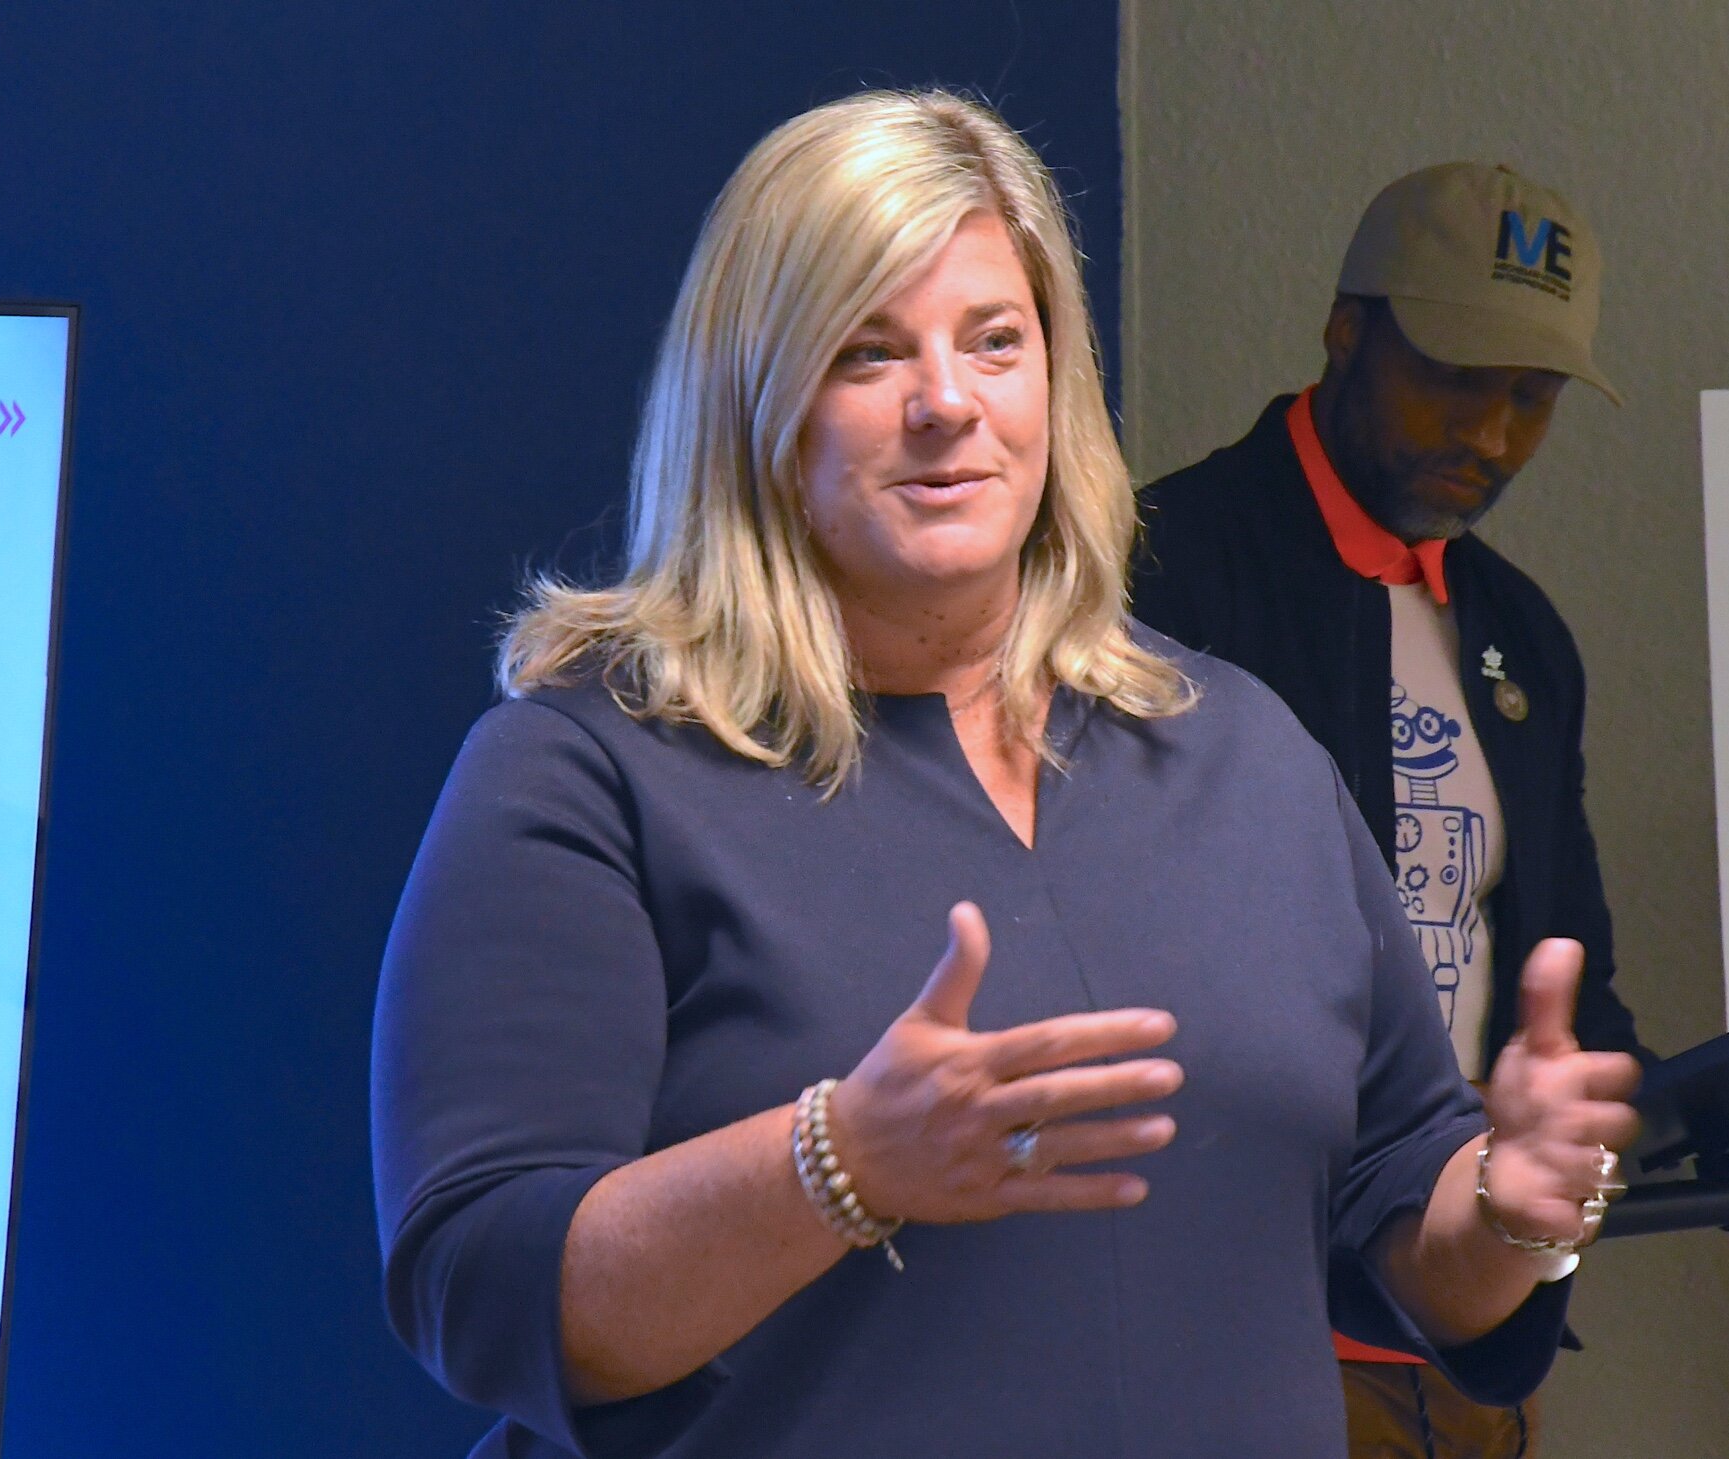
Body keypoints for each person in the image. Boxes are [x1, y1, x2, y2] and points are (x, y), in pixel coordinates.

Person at [370, 97, 1640, 1459]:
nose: (947, 403)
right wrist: (838, 1164)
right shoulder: (589, 771)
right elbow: (481, 1290)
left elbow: (1404, 1195)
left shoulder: (1243, 754)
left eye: (995, 342)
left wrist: (1514, 1202)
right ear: (753, 398)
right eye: (868, 352)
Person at [1132, 162, 1655, 1457]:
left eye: (1530, 398)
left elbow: (1566, 960)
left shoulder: (1520, 637)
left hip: (1472, 1339)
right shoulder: (1159, 572)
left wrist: (1600, 1117)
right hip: (1236, 1339)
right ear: (1347, 330)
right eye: (1456, 379)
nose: (1488, 435)